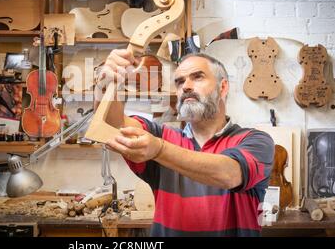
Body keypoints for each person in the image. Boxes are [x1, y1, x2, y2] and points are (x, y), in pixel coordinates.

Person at [94, 49, 275, 237]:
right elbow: (110, 125)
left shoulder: (256, 141)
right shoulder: (162, 135)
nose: (186, 87)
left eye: (197, 77)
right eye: (180, 81)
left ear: (223, 87)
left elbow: (229, 174)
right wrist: (105, 83)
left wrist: (159, 150)